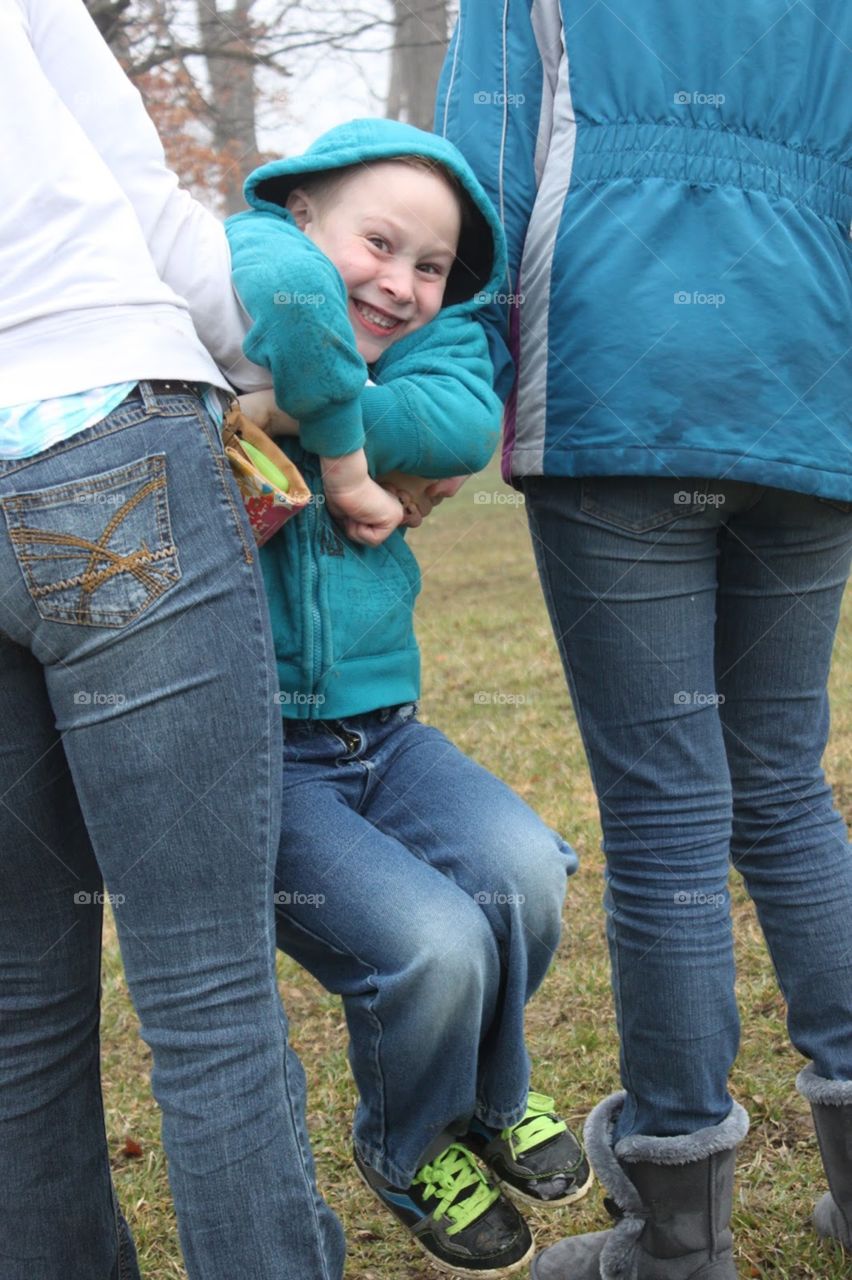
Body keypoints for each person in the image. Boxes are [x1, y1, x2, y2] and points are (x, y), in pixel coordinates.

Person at [436, 2, 852, 1277]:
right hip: (807, 388)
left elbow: (481, 185)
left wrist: (441, 397)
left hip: (617, 384)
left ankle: (676, 1238)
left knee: (672, 808)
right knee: (784, 788)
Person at [0, 1, 398, 1276]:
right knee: (210, 997)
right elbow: (149, 205)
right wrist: (331, 414)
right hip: (97, 409)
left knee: (15, 1002)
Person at [226, 116, 592, 1277]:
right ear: (301, 216)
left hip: (383, 727)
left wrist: (300, 412)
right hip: (256, 748)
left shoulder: (422, 352)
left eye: (431, 265)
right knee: (429, 943)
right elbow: (273, 283)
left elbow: (458, 424)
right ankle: (408, 1144)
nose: (401, 282)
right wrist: (346, 438)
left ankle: (489, 1095)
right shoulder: (213, 314)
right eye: (377, 242)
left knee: (525, 872)